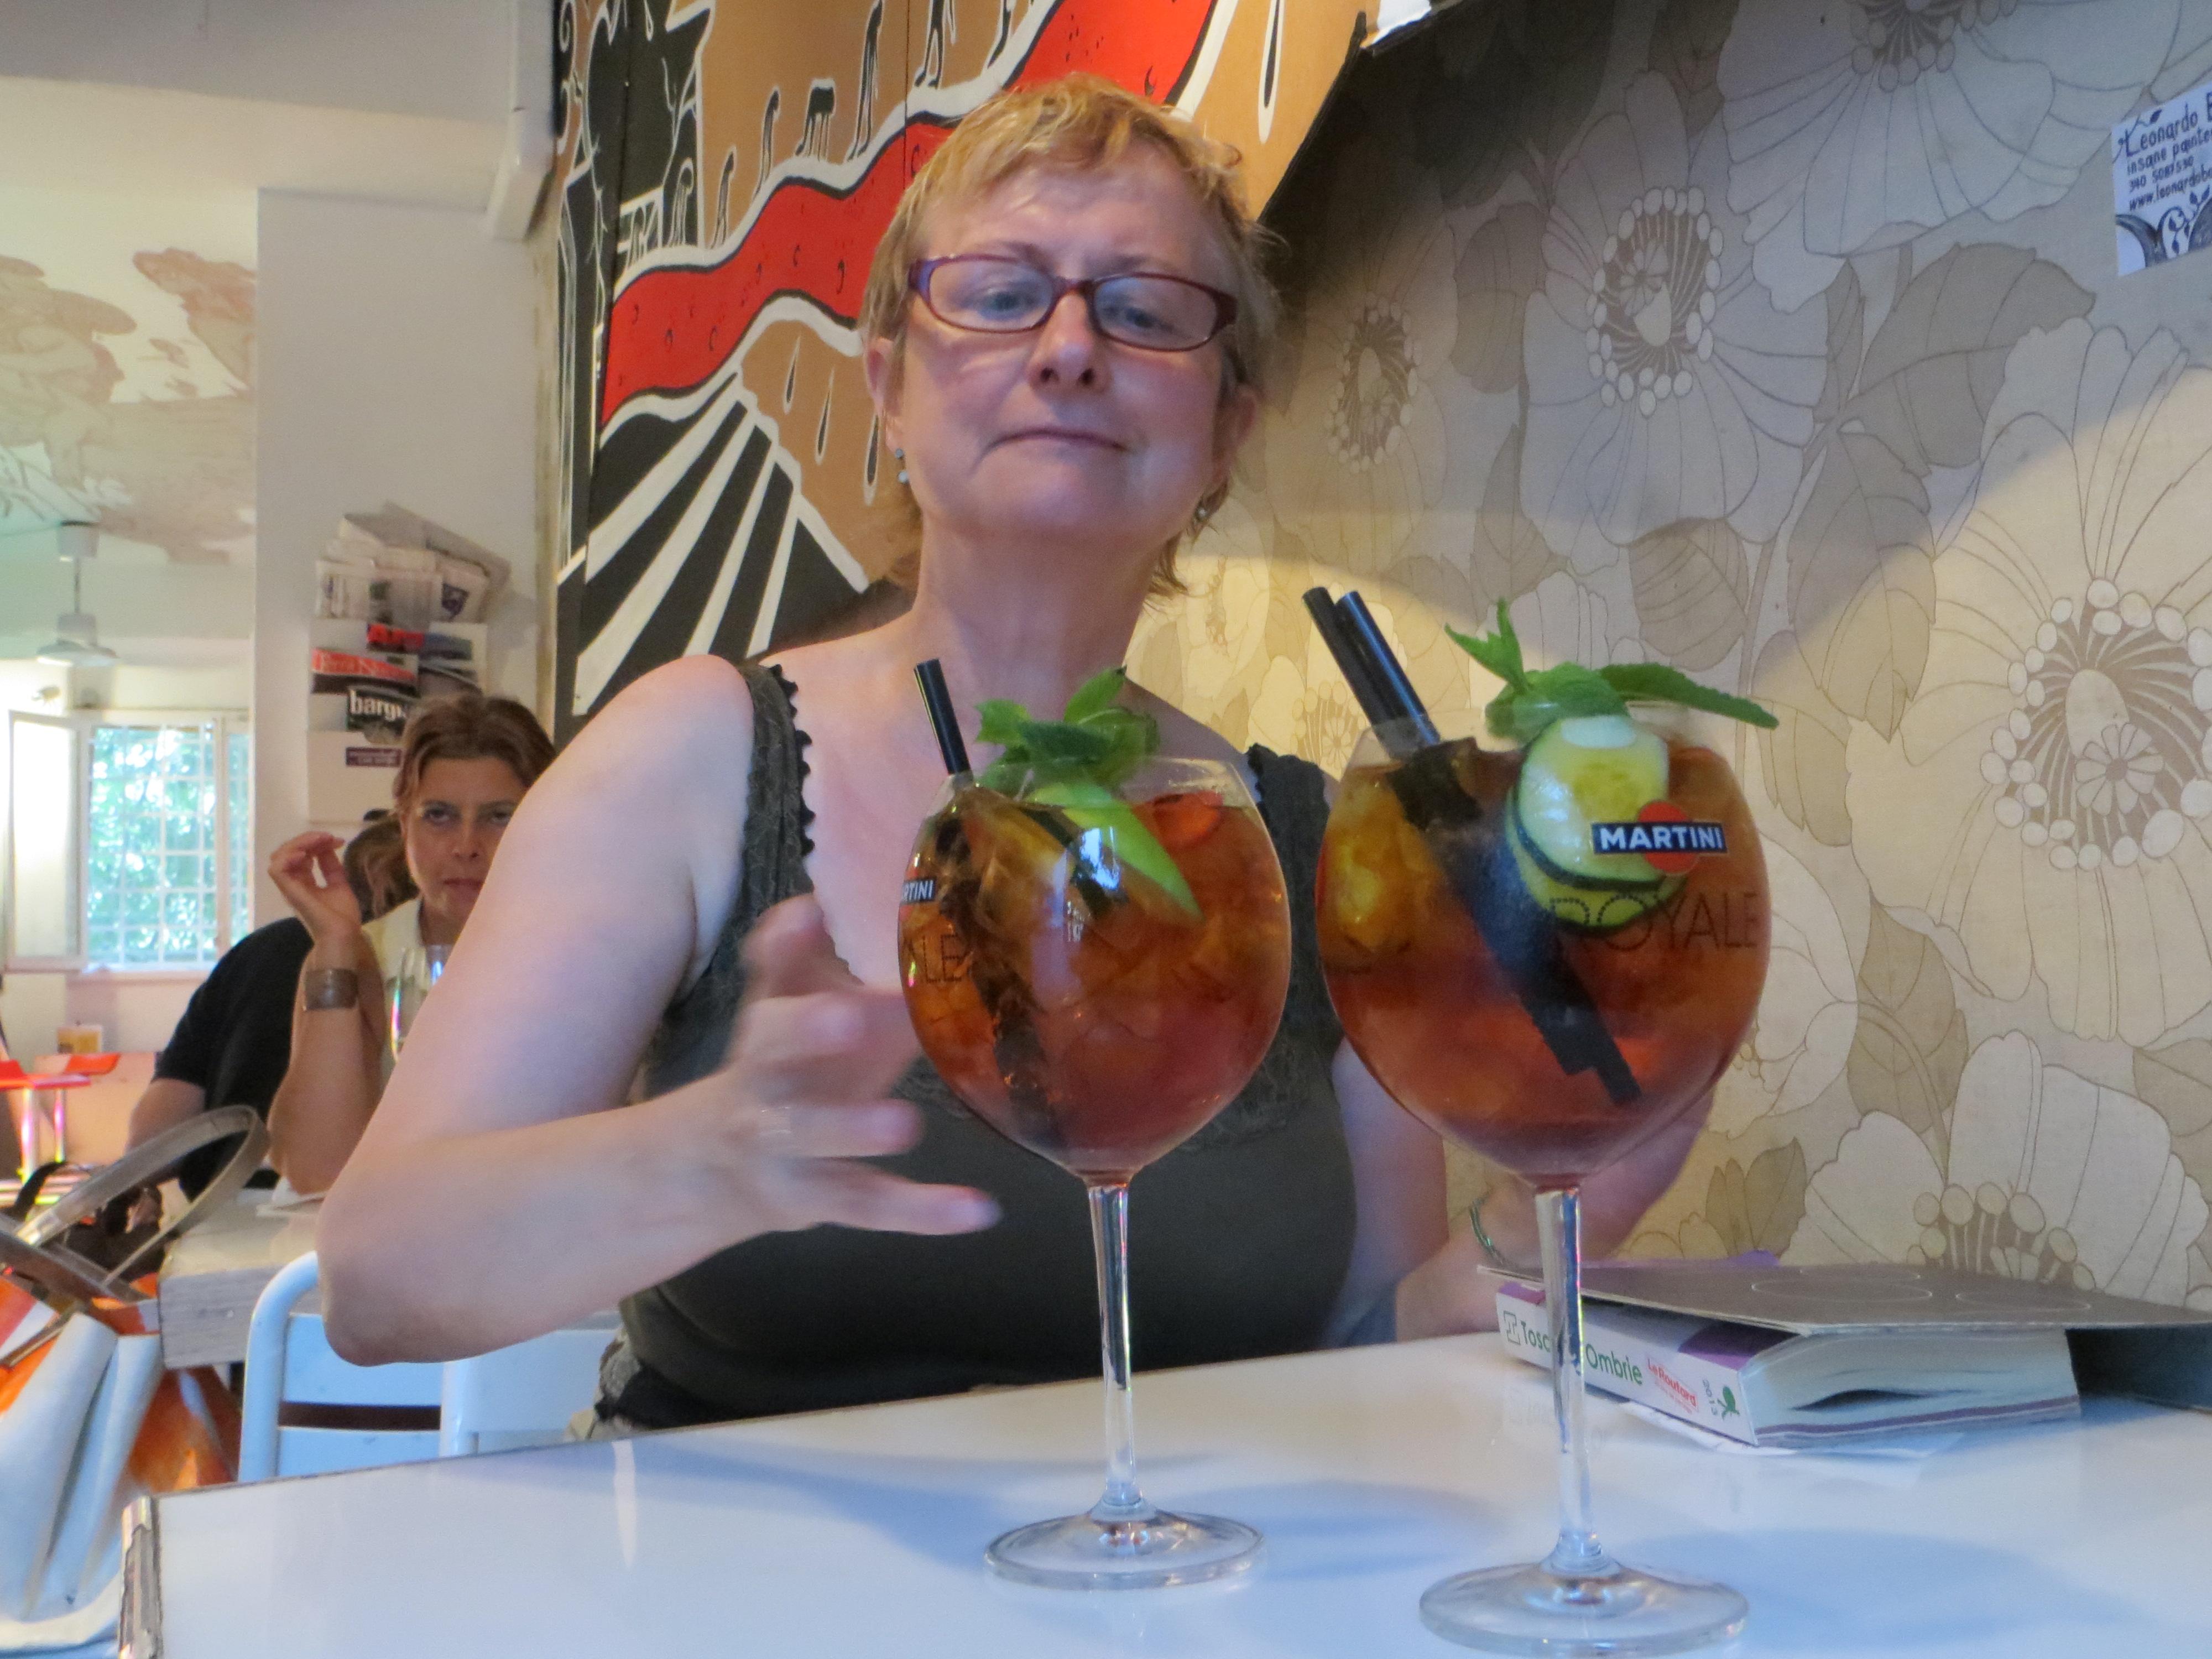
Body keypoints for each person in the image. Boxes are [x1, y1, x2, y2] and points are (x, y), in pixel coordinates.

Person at [317, 77, 1708, 1425]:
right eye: (995, 294)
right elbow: (377, 1282)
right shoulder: (694, 752)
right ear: (887, 386)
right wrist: (711, 1153)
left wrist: (1550, 1226)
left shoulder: (1304, 844)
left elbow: (1351, 1352)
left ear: (1225, 428)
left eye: (1145, 310)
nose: (1067, 347)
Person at [264, 693, 553, 1194]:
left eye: (499, 816)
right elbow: (316, 1171)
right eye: (439, 815)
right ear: (404, 827)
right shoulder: (367, 956)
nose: (466, 846)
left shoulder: (595, 951)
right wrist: (336, 945)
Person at [123, 814, 418, 1199]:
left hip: (222, 1204)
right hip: (342, 1204)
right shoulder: (418, 965)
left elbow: (149, 1148)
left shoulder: (257, 953)